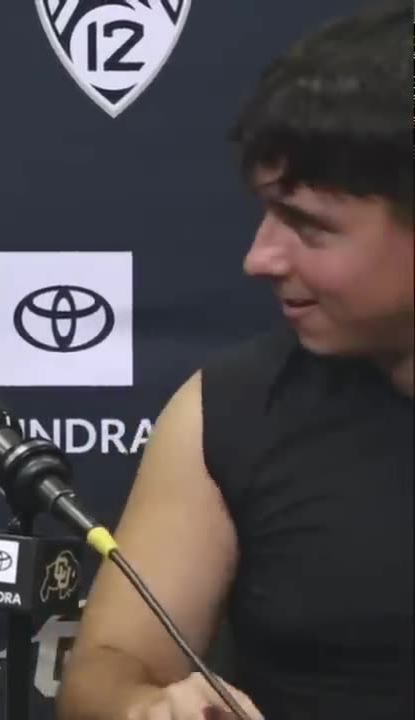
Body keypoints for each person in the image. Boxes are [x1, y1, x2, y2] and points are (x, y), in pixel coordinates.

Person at [56, 2, 413, 719]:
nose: (259, 258)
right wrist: (147, 709)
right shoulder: (229, 412)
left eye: (309, 224)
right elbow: (105, 672)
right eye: (266, 212)